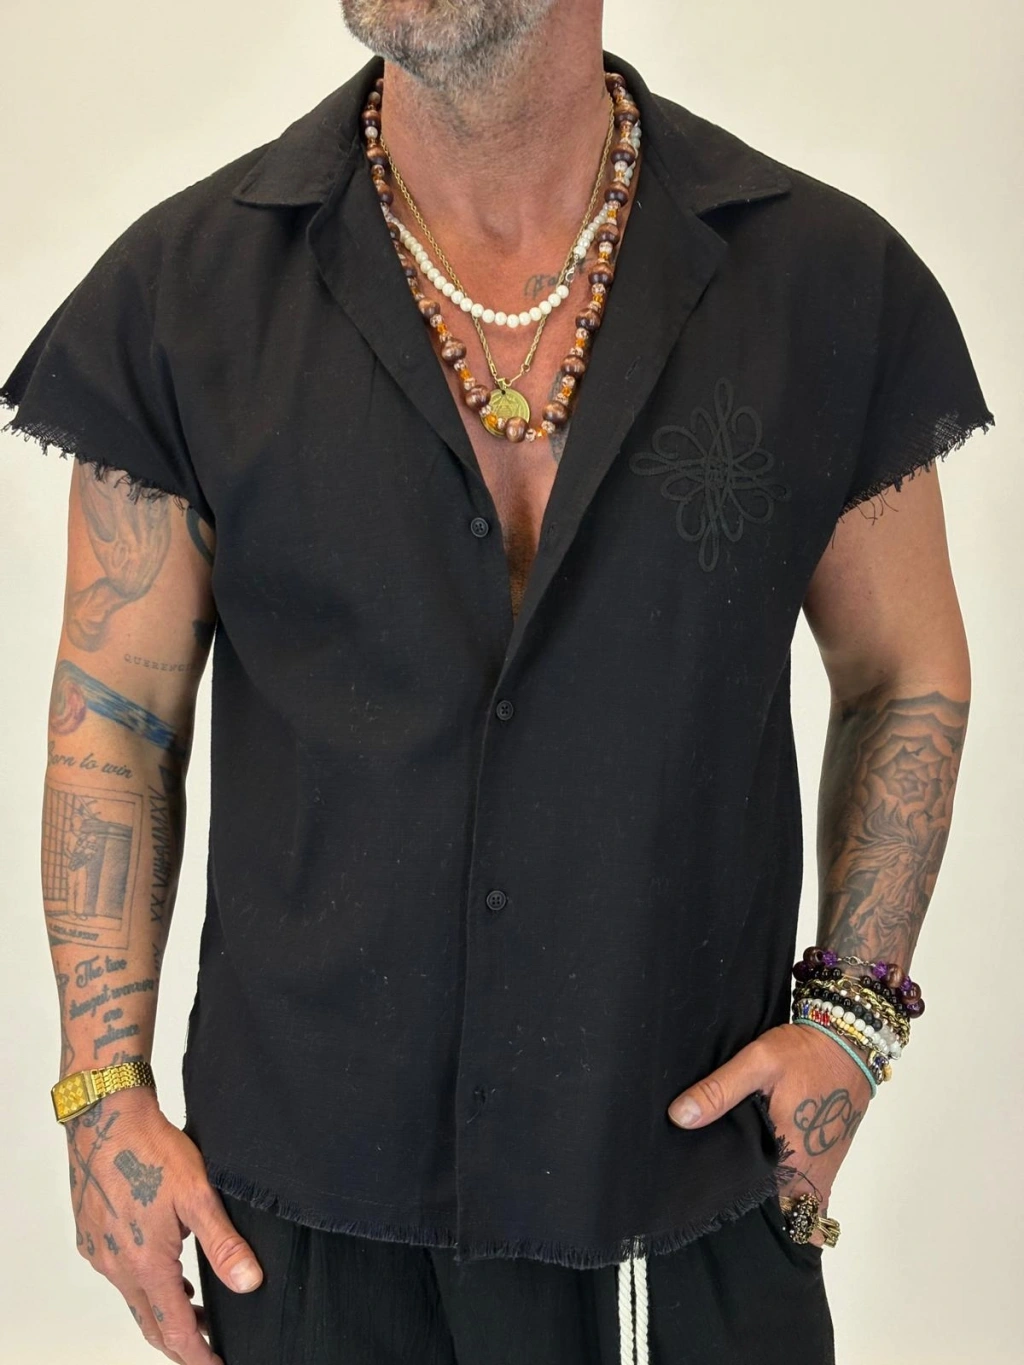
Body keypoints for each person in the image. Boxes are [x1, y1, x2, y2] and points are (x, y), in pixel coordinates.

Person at [3, 2, 995, 1363]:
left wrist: (854, 1021)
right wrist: (101, 1095)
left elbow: (901, 673)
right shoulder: (183, 298)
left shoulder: (823, 284)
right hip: (296, 1239)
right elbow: (115, 720)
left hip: (683, 1197)